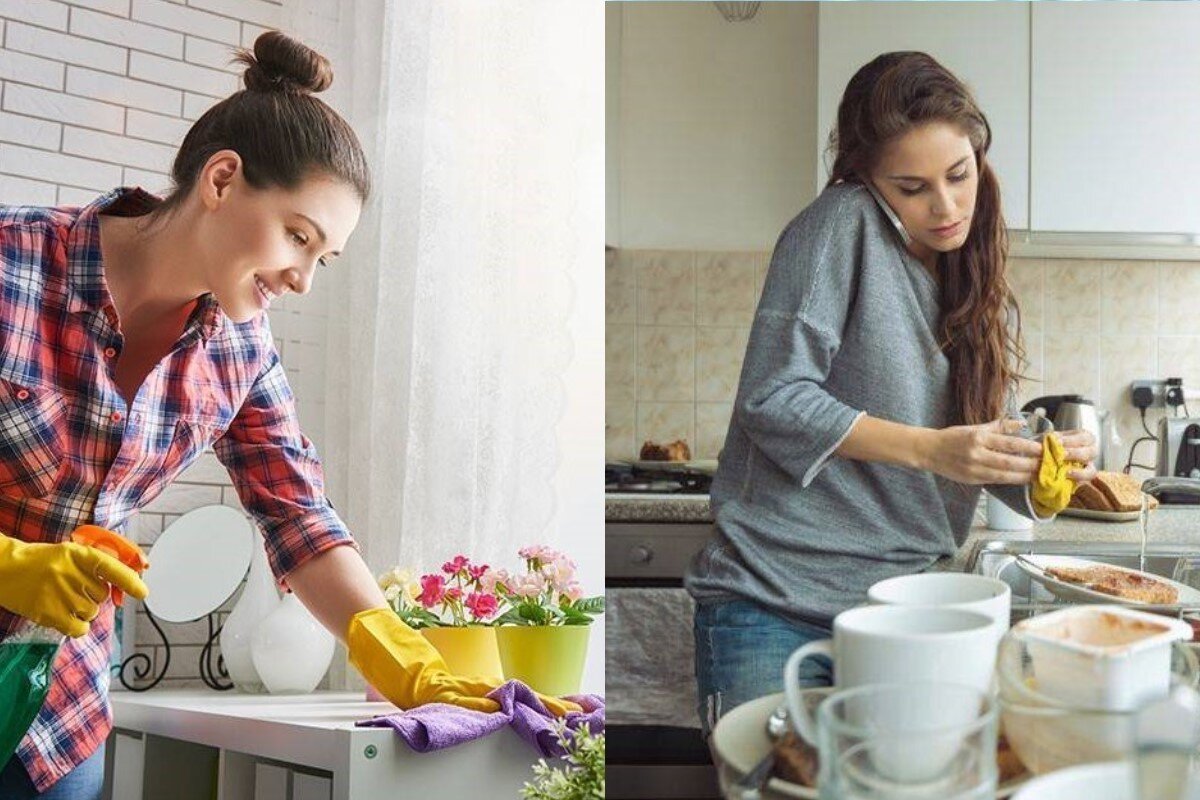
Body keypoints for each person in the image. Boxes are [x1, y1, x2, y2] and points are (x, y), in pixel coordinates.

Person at [0, 31, 576, 800]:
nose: (302, 278)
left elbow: (297, 516)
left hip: (56, 713)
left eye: (322, 257)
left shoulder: (242, 350)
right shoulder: (14, 263)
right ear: (222, 179)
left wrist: (398, 654)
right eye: (297, 237)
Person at [684, 51, 1098, 736]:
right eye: (912, 187)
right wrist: (933, 451)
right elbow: (774, 397)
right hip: (773, 605)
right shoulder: (839, 225)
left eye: (959, 175)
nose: (945, 206)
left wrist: (1040, 464)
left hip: (901, 611)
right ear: (867, 180)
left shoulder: (973, 266)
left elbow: (952, 441)